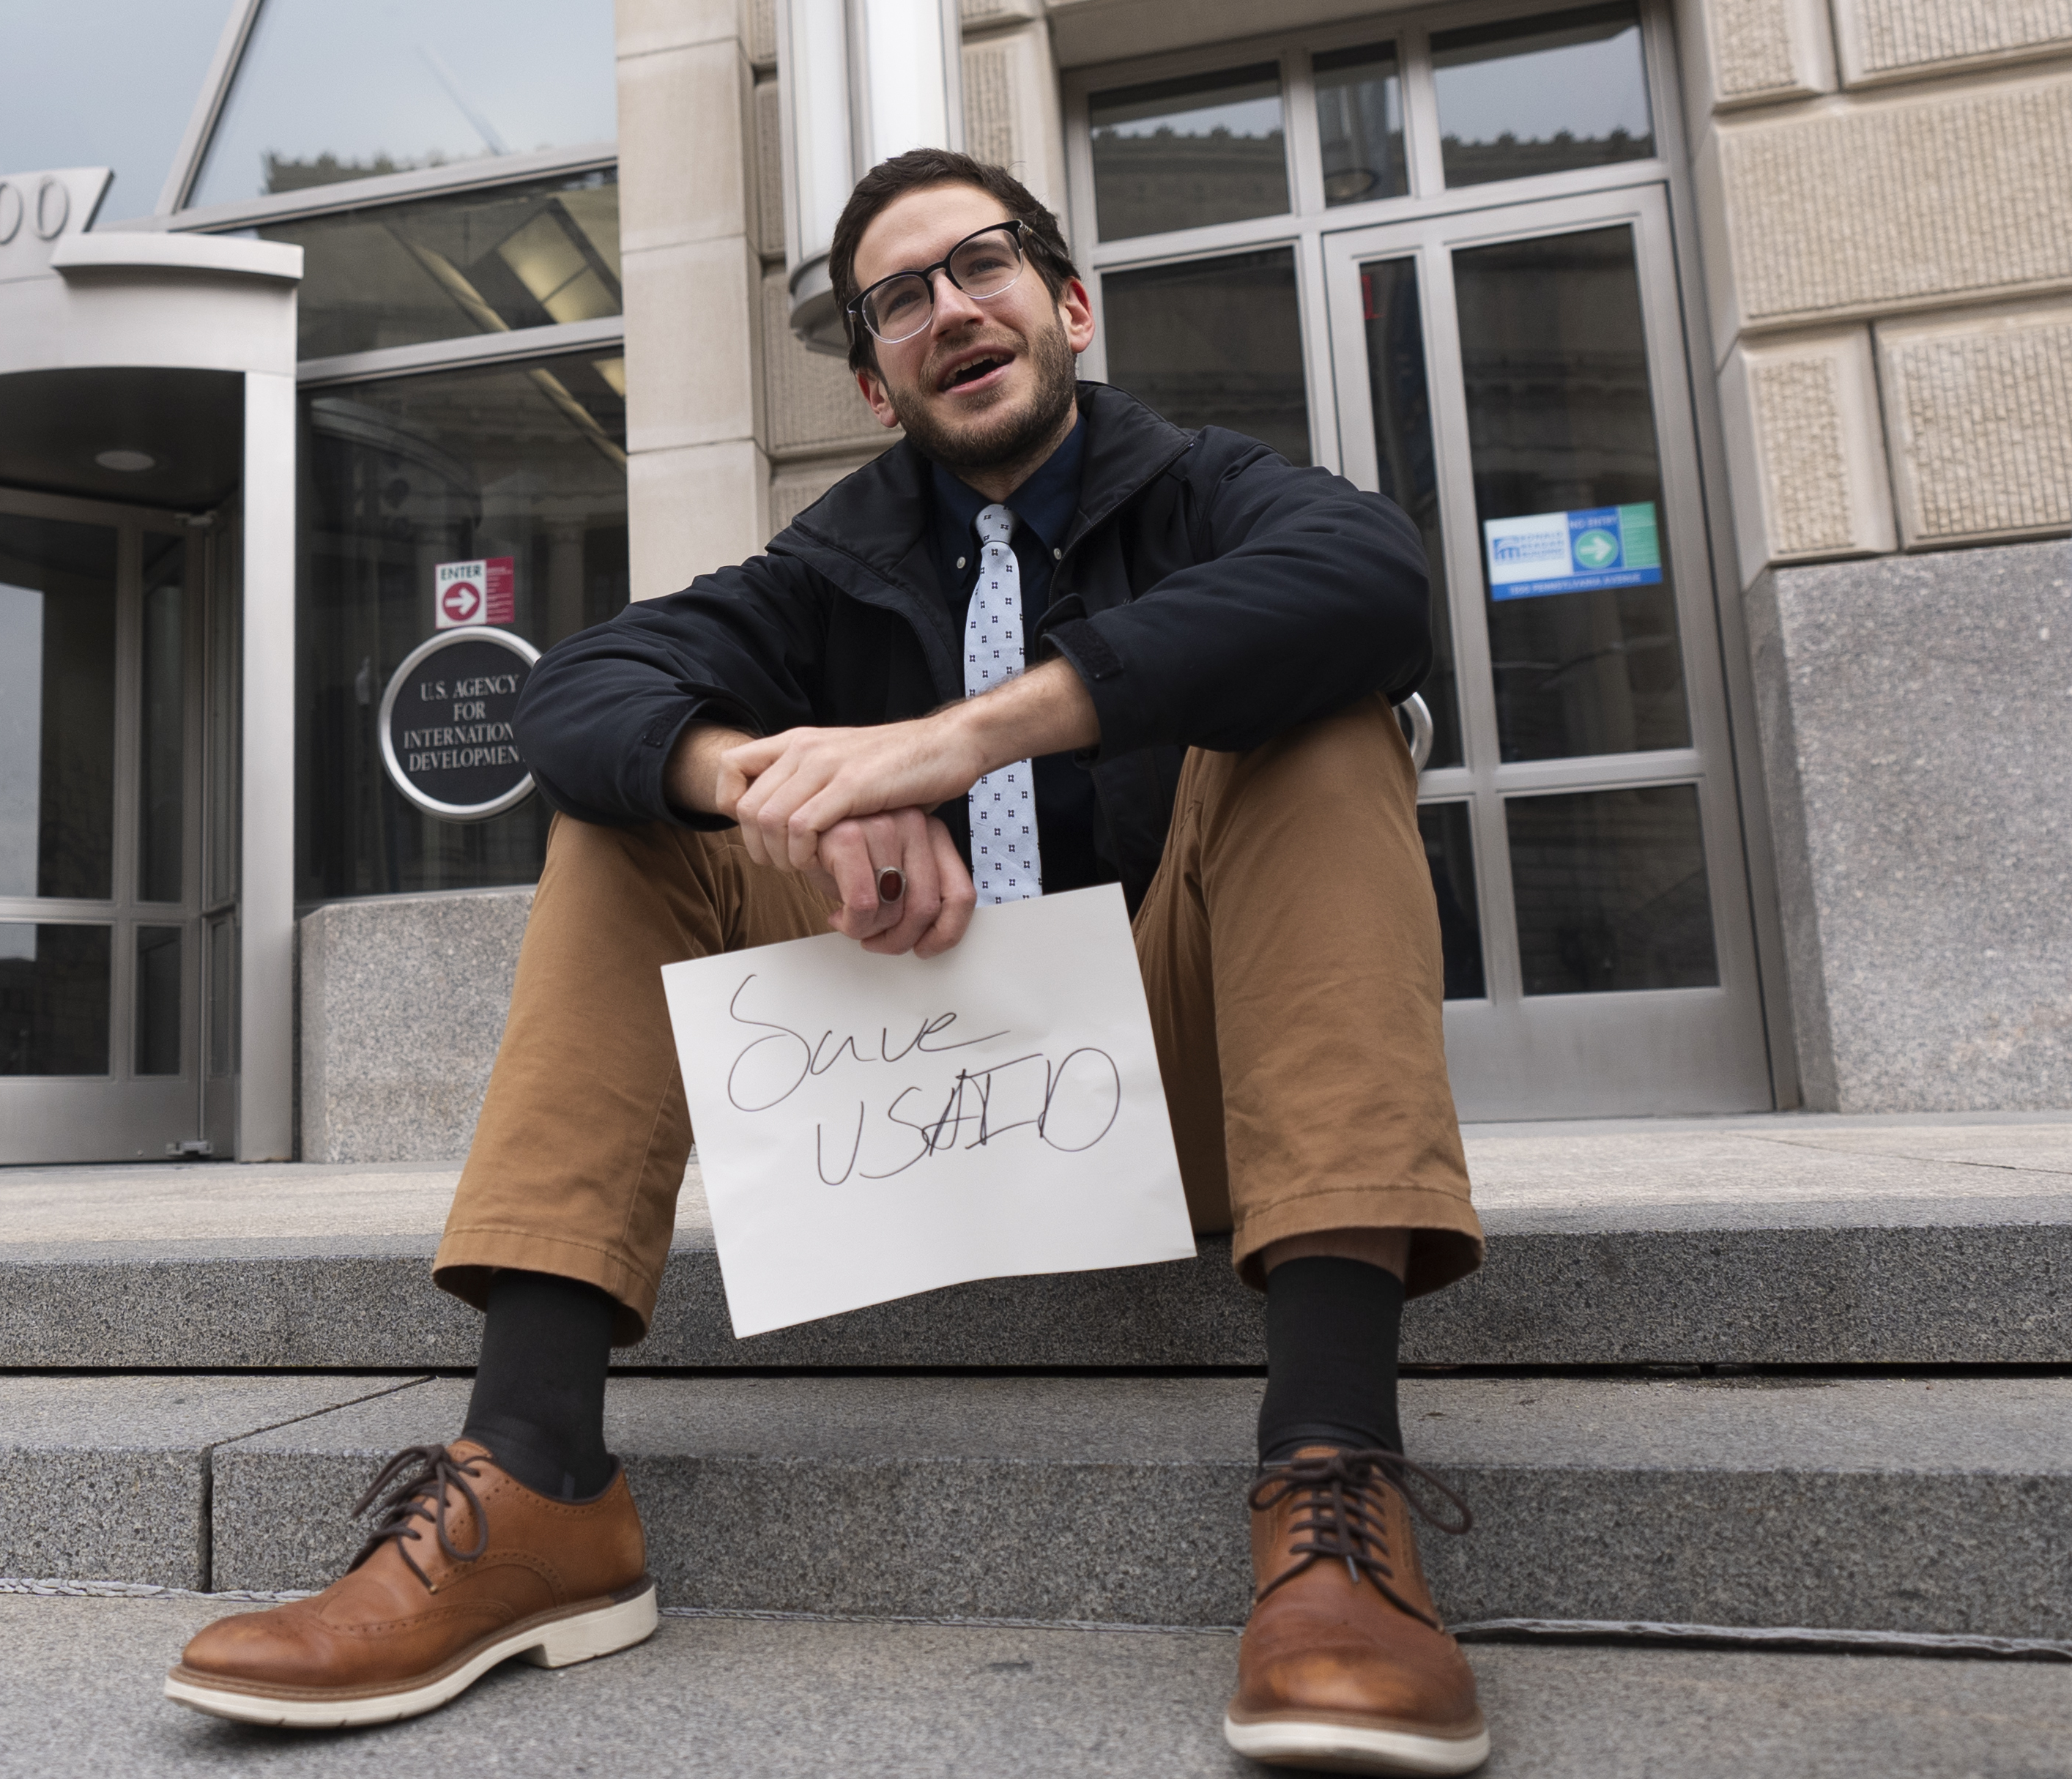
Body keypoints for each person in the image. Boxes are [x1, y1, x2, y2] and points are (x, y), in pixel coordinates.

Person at [165, 148, 1490, 1775]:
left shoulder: (1213, 491)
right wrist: (780, 787)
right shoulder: (833, 563)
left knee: (1321, 715)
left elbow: (1373, 584)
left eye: (983, 267)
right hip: (913, 1098)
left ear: (1067, 303)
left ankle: (1331, 1483)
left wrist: (949, 743)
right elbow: (571, 694)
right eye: (900, 302)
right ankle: (532, 1477)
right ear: (876, 384)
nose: (951, 310)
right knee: (634, 800)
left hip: (1189, 1094)